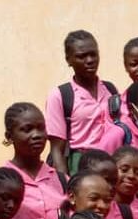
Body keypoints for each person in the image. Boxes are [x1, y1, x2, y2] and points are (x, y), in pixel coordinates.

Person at [45, 30, 115, 176]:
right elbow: (57, 149)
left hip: (110, 163)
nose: (89, 60)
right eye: (81, 56)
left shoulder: (110, 90)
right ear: (68, 60)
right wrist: (66, 183)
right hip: (78, 165)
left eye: (93, 54)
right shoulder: (61, 95)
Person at [1, 102, 66, 219]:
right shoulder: (0, 182)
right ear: (9, 136)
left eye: (41, 128)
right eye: (27, 129)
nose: (36, 135)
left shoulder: (62, 181)